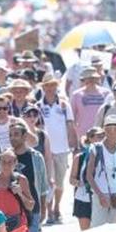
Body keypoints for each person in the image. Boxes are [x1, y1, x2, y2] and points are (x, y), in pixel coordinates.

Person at [38, 74, 78, 223]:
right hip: (46, 150)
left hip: (62, 148)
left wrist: (75, 145)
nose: (50, 88)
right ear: (43, 87)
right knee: (49, 182)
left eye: (53, 85)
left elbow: (70, 125)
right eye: (47, 85)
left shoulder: (63, 105)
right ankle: (49, 212)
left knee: (60, 183)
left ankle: (57, 208)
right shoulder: (38, 106)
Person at [85, 115, 116, 228]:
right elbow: (89, 175)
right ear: (109, 130)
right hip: (100, 194)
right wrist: (100, 195)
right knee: (98, 229)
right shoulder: (95, 148)